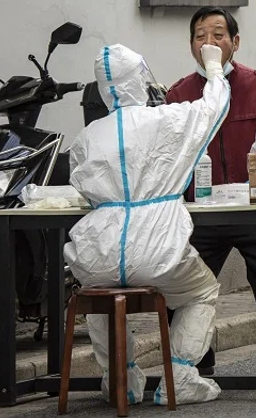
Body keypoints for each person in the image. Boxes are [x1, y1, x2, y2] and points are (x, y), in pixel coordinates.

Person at [64, 43, 230, 405]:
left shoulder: (88, 137)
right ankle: (182, 375)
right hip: (159, 247)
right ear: (139, 81)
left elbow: (83, 189)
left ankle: (119, 379)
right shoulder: (166, 120)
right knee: (202, 290)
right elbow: (214, 108)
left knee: (99, 296)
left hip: (100, 250)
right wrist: (214, 66)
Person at [166, 7, 256, 375]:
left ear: (235, 43)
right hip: (201, 212)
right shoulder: (180, 94)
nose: (209, 42)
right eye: (200, 36)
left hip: (255, 211)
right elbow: (166, 153)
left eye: (218, 35)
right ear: (191, 46)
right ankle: (196, 367)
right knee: (181, 282)